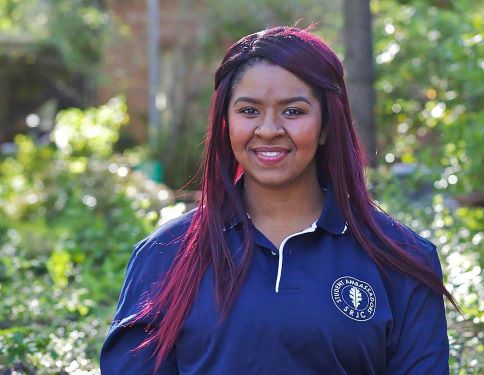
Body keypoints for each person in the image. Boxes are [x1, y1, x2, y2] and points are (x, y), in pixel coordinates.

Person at [100, 26, 456, 374]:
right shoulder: (164, 254)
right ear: (226, 122)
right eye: (249, 111)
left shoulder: (402, 258)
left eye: (293, 111)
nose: (268, 129)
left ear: (327, 126)